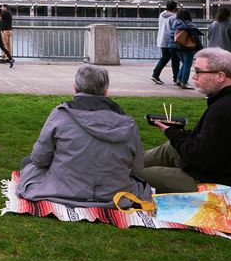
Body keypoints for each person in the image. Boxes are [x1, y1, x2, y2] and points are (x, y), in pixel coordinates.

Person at [140, 48, 231, 193]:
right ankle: (122, 160)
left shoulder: (227, 108)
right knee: (170, 148)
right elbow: (211, 145)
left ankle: (126, 173)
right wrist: (178, 135)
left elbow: (202, 160)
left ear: (220, 76)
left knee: (141, 175)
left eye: (198, 72)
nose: (194, 77)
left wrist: (173, 133)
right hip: (221, 167)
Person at [17, 64, 152, 205]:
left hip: (63, 190)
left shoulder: (60, 115)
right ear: (106, 92)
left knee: (27, 163)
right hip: (113, 193)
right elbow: (136, 168)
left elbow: (40, 159)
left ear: (75, 88)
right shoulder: (128, 123)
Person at [169, 8, 202, 89]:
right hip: (187, 47)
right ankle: (184, 82)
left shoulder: (174, 23)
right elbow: (195, 38)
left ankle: (179, 80)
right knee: (187, 64)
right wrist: (200, 48)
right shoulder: (189, 25)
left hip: (175, 47)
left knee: (184, 64)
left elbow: (171, 35)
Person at [150, 0, 179, 85]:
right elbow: (175, 29)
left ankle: (155, 74)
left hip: (162, 39)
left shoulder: (162, 15)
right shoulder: (174, 17)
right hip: (171, 40)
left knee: (165, 58)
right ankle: (176, 78)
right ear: (174, 8)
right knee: (175, 60)